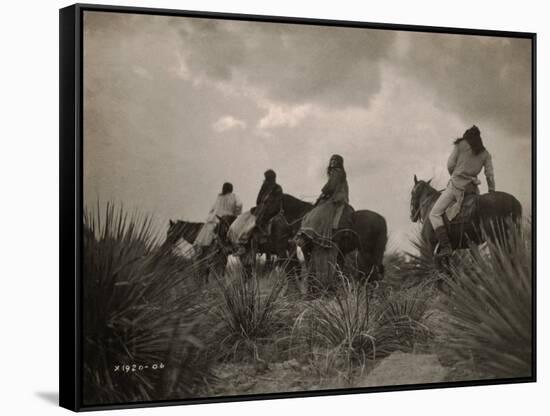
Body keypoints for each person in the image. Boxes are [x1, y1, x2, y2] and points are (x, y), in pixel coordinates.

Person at [429, 125, 495, 257]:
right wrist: (491, 191)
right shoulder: (486, 154)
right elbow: (489, 174)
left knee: (434, 214)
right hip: (472, 189)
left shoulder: (460, 145)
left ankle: (446, 246)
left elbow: (450, 165)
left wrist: (456, 175)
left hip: (455, 187)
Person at [296, 154, 350, 248]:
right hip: (334, 195)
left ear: (339, 163)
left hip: (338, 196)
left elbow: (331, 186)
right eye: (331, 160)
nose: (332, 162)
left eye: (335, 160)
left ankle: (314, 234)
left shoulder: (337, 172)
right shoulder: (336, 172)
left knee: (320, 211)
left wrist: (324, 192)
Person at [231, 169, 283, 256]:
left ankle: (244, 242)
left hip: (268, 210)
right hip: (268, 210)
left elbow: (259, 200)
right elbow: (260, 200)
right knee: (252, 220)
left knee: (250, 222)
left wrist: (265, 208)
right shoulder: (277, 188)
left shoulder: (268, 187)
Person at [193, 182, 242, 255]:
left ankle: (202, 248)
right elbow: (239, 205)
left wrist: (211, 215)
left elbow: (212, 209)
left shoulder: (219, 197)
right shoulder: (234, 196)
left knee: (206, 232)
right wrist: (235, 213)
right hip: (228, 219)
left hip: (215, 218)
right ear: (231, 189)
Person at [255, 169, 283, 235]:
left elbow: (258, 201)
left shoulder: (266, 187)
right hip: (271, 211)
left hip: (270, 211)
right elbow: (258, 201)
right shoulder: (277, 187)